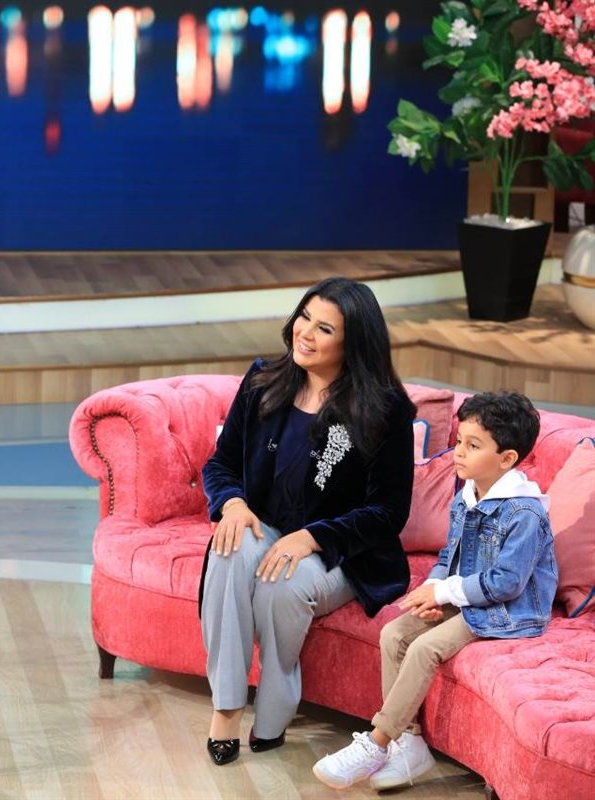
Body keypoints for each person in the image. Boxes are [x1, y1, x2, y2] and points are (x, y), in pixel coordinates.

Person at [200, 276, 415, 766]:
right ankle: (227, 707)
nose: (306, 334)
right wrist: (232, 503)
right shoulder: (263, 381)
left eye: (324, 328)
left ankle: (274, 713)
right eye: (304, 318)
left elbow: (389, 512)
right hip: (265, 527)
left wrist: (314, 537)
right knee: (229, 548)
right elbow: (221, 464)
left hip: (344, 552)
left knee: (282, 585)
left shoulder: (385, 409)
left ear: (353, 343)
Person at [313, 391, 557, 791]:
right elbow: (449, 556)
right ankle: (409, 743)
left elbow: (507, 583)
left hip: (509, 609)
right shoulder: (466, 496)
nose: (458, 452)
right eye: (459, 441)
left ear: (507, 458)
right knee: (394, 634)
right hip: (467, 594)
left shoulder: (524, 512)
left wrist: (444, 594)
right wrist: (431, 589)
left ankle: (377, 742)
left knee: (425, 648)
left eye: (473, 446)